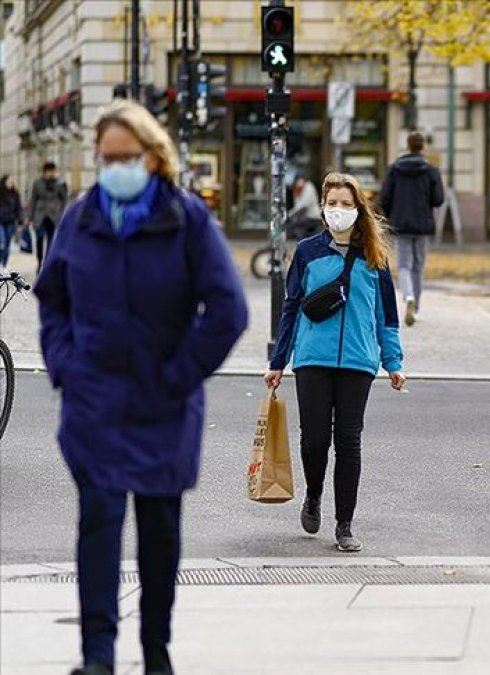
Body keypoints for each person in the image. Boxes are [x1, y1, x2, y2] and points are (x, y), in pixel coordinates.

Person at [33, 100, 249, 675]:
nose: (114, 168)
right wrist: (64, 367)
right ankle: (97, 655)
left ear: (153, 158)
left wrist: (179, 376)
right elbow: (51, 298)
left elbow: (228, 310)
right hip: (94, 402)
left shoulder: (186, 220)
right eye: (105, 159)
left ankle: (157, 650)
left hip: (163, 405)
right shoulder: (81, 218)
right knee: (98, 524)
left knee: (159, 532)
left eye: (125, 158)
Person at [266, 172, 406, 553]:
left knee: (349, 441)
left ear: (359, 209)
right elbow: (291, 306)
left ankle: (344, 524)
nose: (339, 210)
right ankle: (313, 494)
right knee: (314, 440)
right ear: (323, 207)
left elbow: (386, 316)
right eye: (333, 204)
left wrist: (393, 361)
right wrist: (278, 361)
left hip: (359, 361)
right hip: (313, 358)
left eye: (347, 204)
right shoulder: (309, 251)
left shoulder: (374, 256)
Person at [378, 132, 445, 327]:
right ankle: (415, 308)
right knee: (418, 266)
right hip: (423, 225)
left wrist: (391, 216)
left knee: (404, 265)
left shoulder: (394, 170)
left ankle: (408, 296)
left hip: (400, 224)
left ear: (407, 146)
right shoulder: (431, 171)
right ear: (422, 147)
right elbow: (438, 199)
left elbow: (384, 198)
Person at [29, 160, 69, 271]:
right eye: (49, 171)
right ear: (45, 172)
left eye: (53, 171)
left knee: (51, 240)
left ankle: (47, 263)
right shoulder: (37, 183)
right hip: (40, 215)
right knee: (39, 238)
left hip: (53, 215)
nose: (51, 173)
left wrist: (61, 212)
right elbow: (33, 199)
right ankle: (39, 261)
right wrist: (30, 216)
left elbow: (64, 199)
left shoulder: (60, 183)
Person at [0, 175, 21, 268]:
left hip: (11, 221)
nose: (11, 182)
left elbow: (18, 208)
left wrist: (20, 220)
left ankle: (4, 264)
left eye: (12, 180)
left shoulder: (15, 194)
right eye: (9, 180)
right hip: (0, 221)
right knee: (2, 241)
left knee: (7, 243)